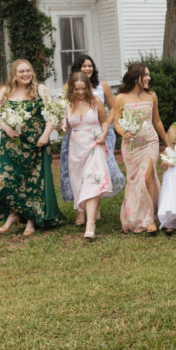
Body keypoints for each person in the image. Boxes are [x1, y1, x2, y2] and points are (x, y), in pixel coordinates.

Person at [0, 59, 65, 236]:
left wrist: (46, 135)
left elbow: (52, 115)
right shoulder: (4, 91)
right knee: (5, 180)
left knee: (33, 182)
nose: (25, 74)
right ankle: (14, 213)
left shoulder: (41, 90)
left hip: (35, 143)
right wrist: (6, 127)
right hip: (11, 143)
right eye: (21, 71)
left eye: (28, 71)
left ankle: (31, 220)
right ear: (14, 74)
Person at [60, 55, 124, 225]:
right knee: (77, 173)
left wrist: (106, 127)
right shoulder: (68, 88)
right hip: (76, 135)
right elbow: (64, 117)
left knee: (97, 170)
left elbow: (112, 108)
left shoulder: (101, 86)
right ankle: (81, 210)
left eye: (90, 66)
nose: (87, 69)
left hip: (98, 134)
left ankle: (95, 205)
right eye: (84, 66)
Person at [111, 63, 165, 235]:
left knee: (147, 176)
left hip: (150, 142)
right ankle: (134, 217)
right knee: (135, 180)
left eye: (149, 75)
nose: (149, 78)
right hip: (131, 146)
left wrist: (168, 143)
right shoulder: (121, 98)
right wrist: (123, 133)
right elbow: (116, 121)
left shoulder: (152, 96)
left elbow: (156, 121)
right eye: (146, 75)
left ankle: (150, 219)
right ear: (136, 78)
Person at [64, 71, 113, 240]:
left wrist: (103, 134)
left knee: (93, 180)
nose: (80, 92)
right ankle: (83, 211)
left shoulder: (95, 102)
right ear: (72, 88)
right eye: (77, 89)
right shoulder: (68, 105)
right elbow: (64, 129)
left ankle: (90, 225)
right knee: (79, 183)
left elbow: (105, 121)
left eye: (83, 89)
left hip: (95, 145)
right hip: (76, 149)